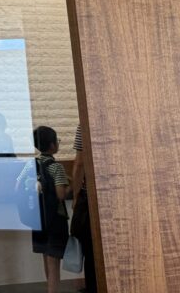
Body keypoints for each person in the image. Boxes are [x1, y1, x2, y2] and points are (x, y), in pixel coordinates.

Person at [26, 125, 70, 293]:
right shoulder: (56, 167)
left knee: (46, 258)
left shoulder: (32, 165)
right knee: (54, 264)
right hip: (54, 220)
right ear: (52, 145)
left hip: (37, 218)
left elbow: (19, 183)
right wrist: (71, 187)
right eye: (57, 140)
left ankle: (49, 289)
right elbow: (60, 195)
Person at [71, 124, 96, 292]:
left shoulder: (85, 124)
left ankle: (94, 287)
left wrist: (75, 195)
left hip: (91, 198)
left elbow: (80, 163)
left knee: (91, 248)